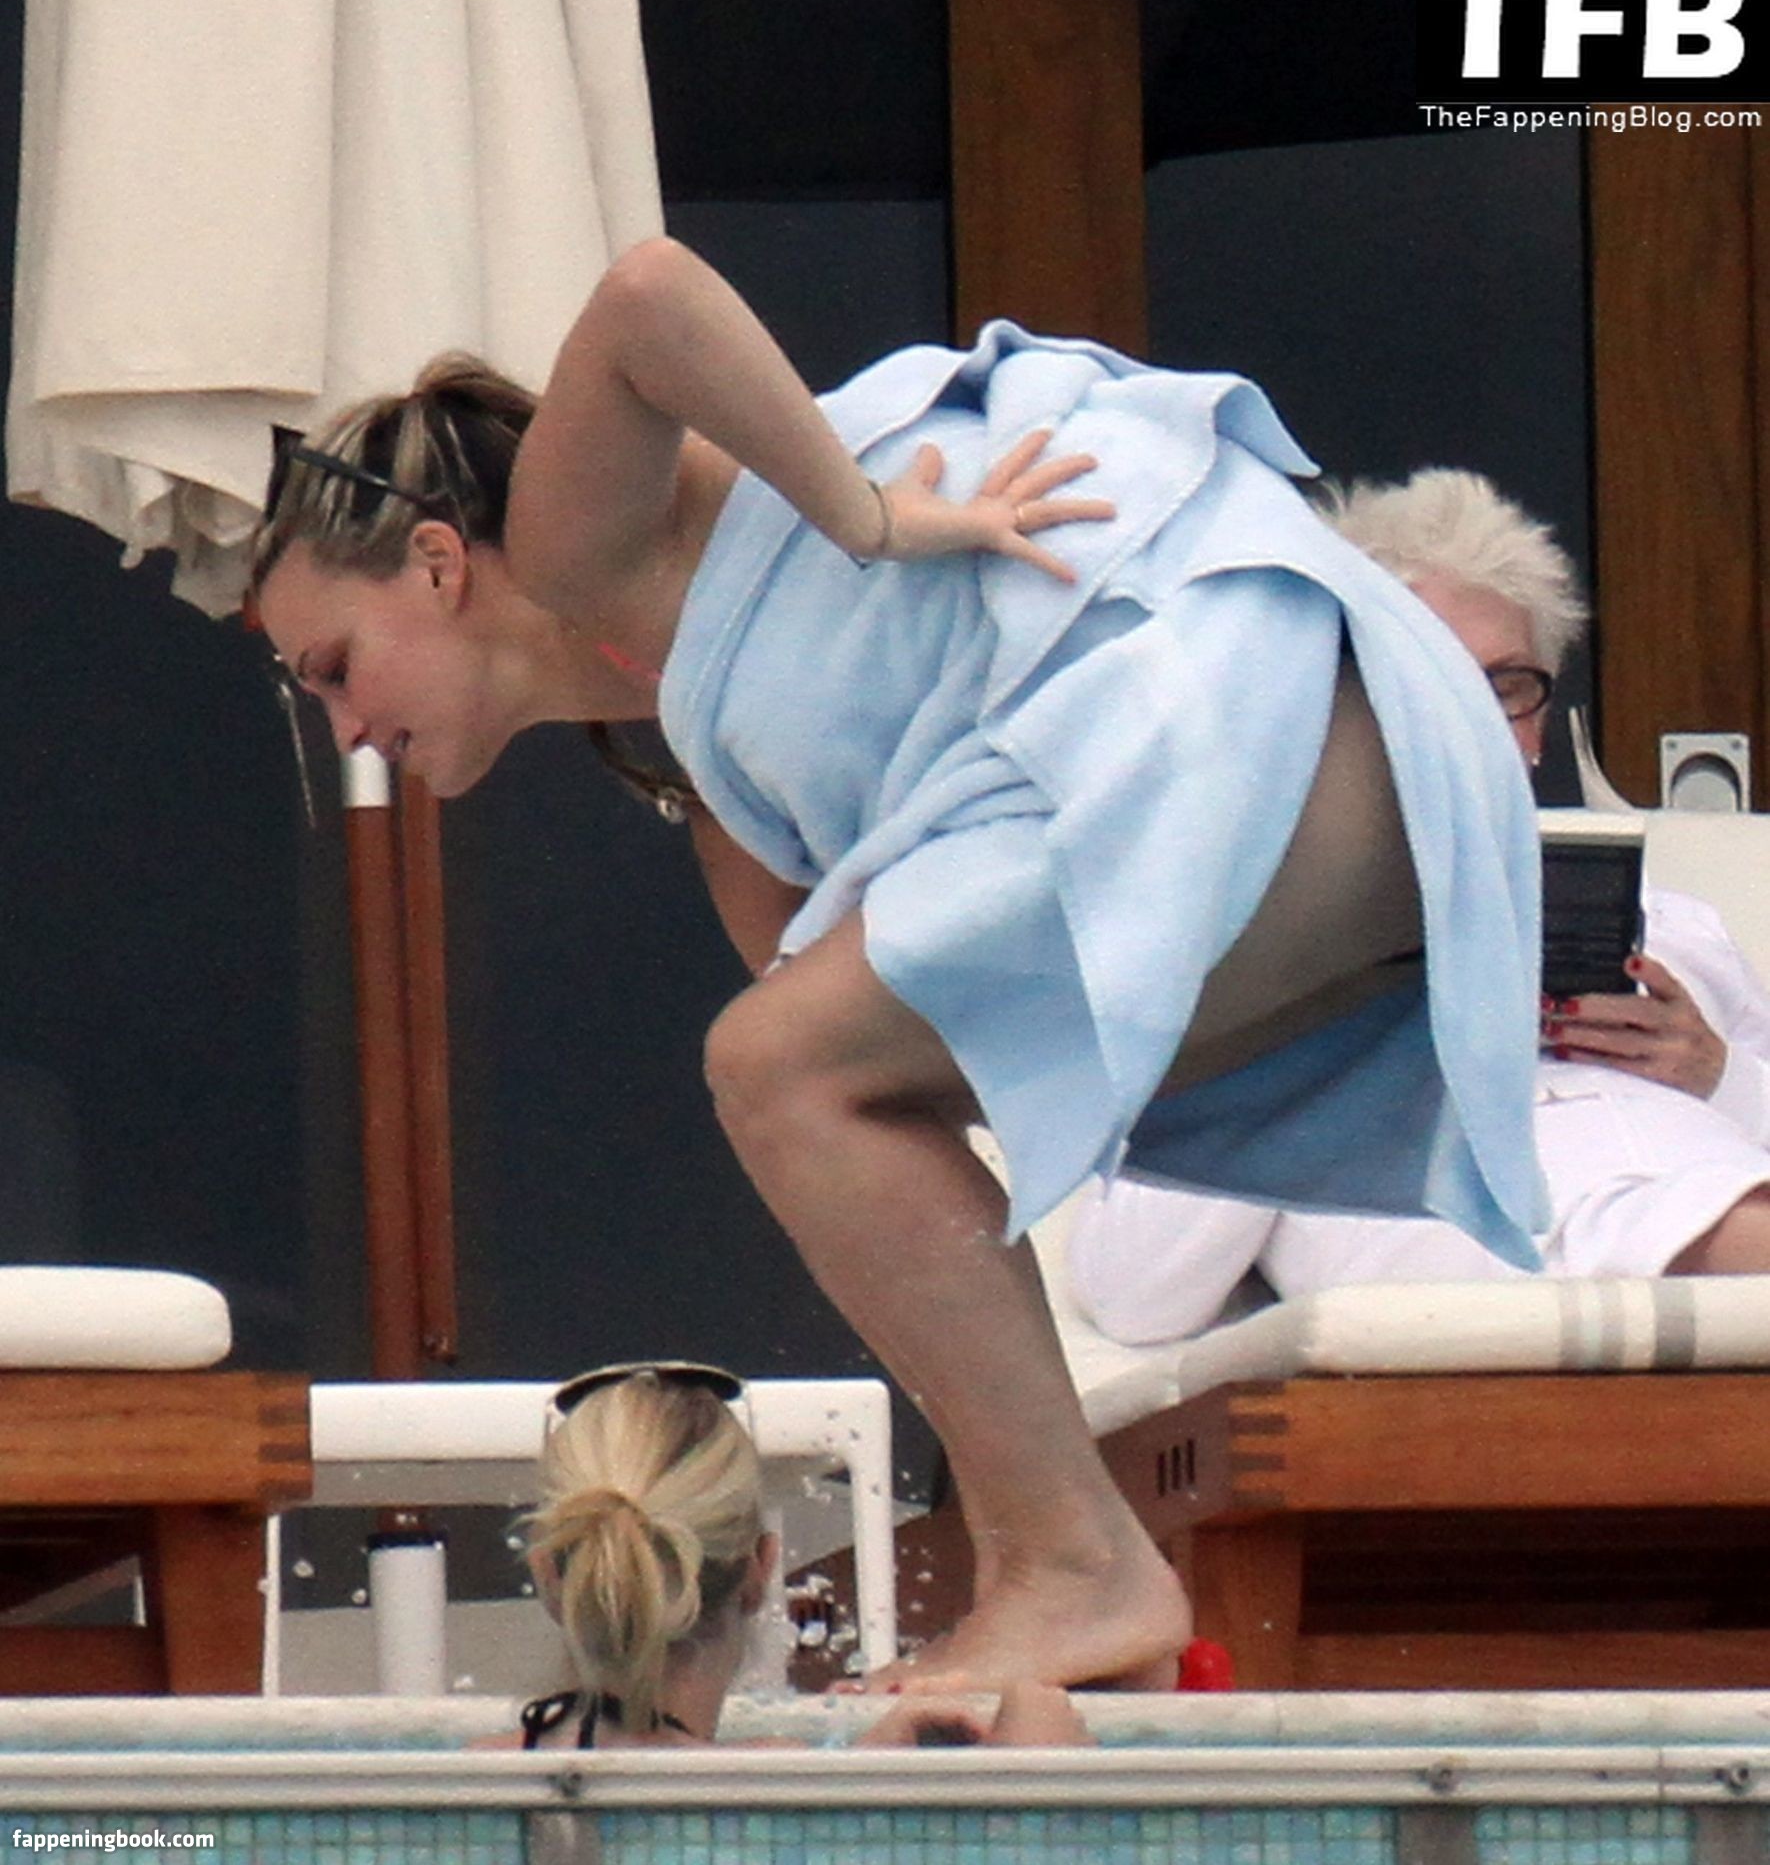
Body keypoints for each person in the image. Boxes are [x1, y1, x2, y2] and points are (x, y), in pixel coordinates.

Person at [250, 236, 1546, 1689]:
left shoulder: (567, 540)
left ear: (437, 565)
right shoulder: (709, 754)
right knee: (812, 1080)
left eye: (332, 669)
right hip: (1376, 804)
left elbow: (647, 296)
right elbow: (857, 1112)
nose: (344, 732)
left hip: (1253, 712)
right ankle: (1059, 1580)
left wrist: (868, 517)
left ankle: (1075, 1566)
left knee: (776, 1070)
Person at [1068, 467, 1770, 1350]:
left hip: (1717, 1207)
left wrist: (1717, 1075)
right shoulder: (1235, 952)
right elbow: (1131, 1294)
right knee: (1650, 1225)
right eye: (1431, 682)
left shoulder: (1674, 930)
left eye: (1506, 687)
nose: (1476, 722)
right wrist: (1320, 1001)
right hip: (1507, 1250)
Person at [516, 1362, 1090, 1748]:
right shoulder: (776, 1793)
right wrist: (1038, 1793)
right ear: (762, 1569)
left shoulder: (474, 1778)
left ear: (546, 1575)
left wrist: (864, 1765)